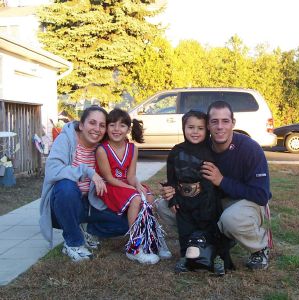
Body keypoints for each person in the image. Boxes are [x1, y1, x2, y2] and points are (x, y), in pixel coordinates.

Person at [157, 100, 272, 270]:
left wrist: (222, 181)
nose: (220, 127)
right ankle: (204, 240)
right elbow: (181, 174)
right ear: (208, 126)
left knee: (230, 219)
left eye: (225, 121)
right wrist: (172, 190)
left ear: (233, 123)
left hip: (242, 202)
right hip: (210, 201)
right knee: (163, 206)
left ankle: (260, 248)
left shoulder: (250, 149)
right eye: (214, 121)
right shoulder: (199, 147)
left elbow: (261, 195)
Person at [39, 106, 129, 262]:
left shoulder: (104, 147)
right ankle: (73, 243)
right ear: (81, 125)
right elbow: (53, 170)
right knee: (66, 186)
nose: (97, 129)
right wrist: (88, 171)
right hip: (62, 205)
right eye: (92, 123)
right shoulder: (66, 139)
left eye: (102, 125)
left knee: (127, 223)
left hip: (90, 204)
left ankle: (87, 230)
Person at [95, 108, 171, 265]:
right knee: (136, 198)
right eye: (112, 125)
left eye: (122, 125)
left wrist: (136, 184)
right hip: (109, 187)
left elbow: (130, 176)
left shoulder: (132, 148)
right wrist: (133, 190)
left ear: (128, 129)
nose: (117, 129)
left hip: (125, 185)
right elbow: (108, 178)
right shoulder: (102, 149)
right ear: (107, 127)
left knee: (148, 196)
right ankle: (134, 247)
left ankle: (154, 239)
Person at [165, 110, 226, 275]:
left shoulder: (209, 152)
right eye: (190, 127)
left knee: (209, 228)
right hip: (183, 200)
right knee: (185, 229)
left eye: (200, 128)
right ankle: (185, 257)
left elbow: (211, 180)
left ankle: (216, 258)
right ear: (183, 128)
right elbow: (171, 179)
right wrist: (173, 200)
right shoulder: (176, 151)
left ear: (206, 130)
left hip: (206, 199)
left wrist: (209, 203)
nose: (195, 131)